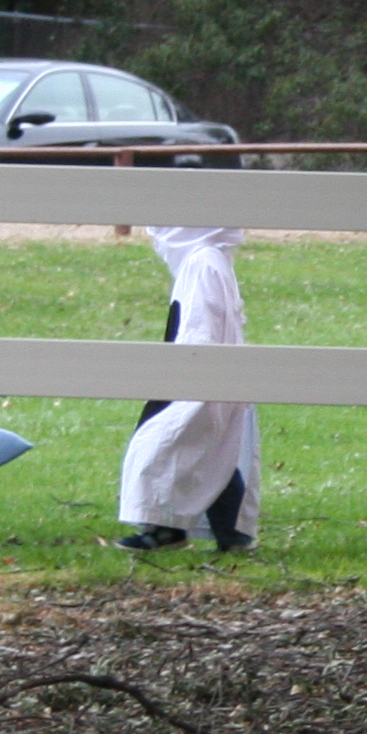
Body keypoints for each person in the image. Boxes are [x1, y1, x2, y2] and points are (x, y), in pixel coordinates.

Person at [114, 225, 258, 553]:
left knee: (166, 448)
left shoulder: (203, 263)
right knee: (210, 452)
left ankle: (169, 528)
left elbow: (202, 328)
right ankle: (224, 534)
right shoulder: (205, 259)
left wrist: (191, 374)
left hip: (197, 375)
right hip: (194, 372)